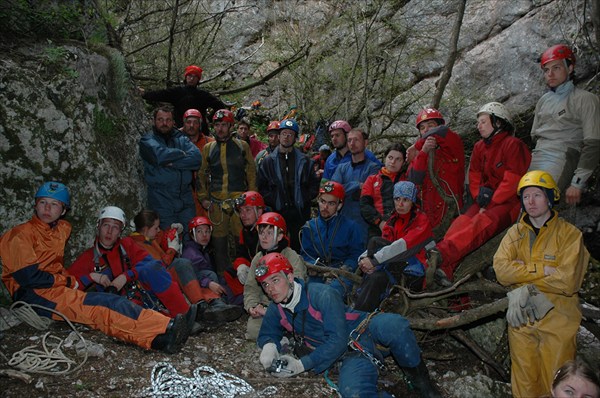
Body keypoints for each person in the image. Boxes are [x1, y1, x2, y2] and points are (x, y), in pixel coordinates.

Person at [0, 182, 190, 354]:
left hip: (54, 291)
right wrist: (73, 280)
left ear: (63, 210)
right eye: (43, 202)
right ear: (35, 204)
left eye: (54, 204)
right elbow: (29, 278)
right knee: (101, 307)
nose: (48, 208)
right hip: (33, 293)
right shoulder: (19, 235)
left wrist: (114, 276)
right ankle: (164, 328)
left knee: (104, 307)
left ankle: (160, 336)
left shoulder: (60, 231)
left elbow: (151, 264)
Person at [255, 252, 442, 398]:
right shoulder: (276, 308)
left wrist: (301, 365)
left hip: (362, 327)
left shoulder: (321, 294)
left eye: (275, 280)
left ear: (289, 277)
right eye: (265, 285)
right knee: (354, 392)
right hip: (349, 354)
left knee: (397, 326)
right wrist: (269, 347)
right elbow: (267, 334)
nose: (270, 289)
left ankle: (422, 384)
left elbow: (337, 338)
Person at [493, 171, 590, 398]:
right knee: (524, 385)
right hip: (522, 320)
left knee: (559, 386)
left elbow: (567, 281)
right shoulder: (515, 233)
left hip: (559, 320)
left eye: (537, 195)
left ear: (549, 198)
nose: (531, 201)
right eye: (526, 196)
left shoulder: (570, 235)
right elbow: (501, 271)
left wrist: (521, 271)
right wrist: (541, 270)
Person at [430, 102, 531, 286]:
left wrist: (489, 204)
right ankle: (445, 268)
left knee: (481, 223)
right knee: (460, 222)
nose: (478, 126)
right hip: (485, 200)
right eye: (478, 122)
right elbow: (474, 175)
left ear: (498, 122)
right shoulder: (479, 147)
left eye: (483, 121)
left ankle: (441, 254)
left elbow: (513, 180)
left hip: (508, 204)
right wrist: (479, 199)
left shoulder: (513, 145)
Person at [69, 206, 195, 320]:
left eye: (115, 227)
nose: (109, 231)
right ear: (98, 226)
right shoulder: (88, 258)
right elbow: (66, 284)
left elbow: (151, 264)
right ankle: (168, 324)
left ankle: (184, 314)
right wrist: (91, 277)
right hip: (118, 307)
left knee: (154, 268)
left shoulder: (127, 245)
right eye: (106, 225)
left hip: (141, 295)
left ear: (120, 232)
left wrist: (126, 276)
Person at [130, 209, 241, 323]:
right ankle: (201, 306)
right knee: (183, 264)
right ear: (146, 229)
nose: (158, 230)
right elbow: (157, 268)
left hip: (166, 274)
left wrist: (173, 231)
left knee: (207, 274)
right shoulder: (138, 244)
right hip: (157, 280)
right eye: (156, 228)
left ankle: (217, 303)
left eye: (207, 231)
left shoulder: (149, 238)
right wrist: (172, 250)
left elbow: (162, 238)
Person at [529, 44, 600, 205]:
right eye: (546, 70)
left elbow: (593, 143)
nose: (550, 74)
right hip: (537, 155)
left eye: (556, 68)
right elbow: (534, 135)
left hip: (563, 155)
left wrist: (577, 182)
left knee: (536, 201)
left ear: (570, 68)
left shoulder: (585, 99)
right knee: (521, 198)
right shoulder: (543, 101)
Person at [355, 181, 435, 312]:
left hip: (412, 273)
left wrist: (374, 261)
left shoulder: (421, 220)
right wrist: (363, 259)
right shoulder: (392, 220)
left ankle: (359, 317)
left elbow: (402, 247)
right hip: (392, 266)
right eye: (397, 199)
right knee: (375, 249)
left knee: (376, 279)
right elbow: (382, 245)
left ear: (413, 201)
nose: (400, 204)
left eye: (406, 200)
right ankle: (360, 316)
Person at [197, 109, 257, 274]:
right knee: (219, 245)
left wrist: (252, 198)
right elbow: (201, 174)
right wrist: (203, 198)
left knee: (242, 243)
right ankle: (224, 280)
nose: (220, 128)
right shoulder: (208, 148)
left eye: (224, 125)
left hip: (240, 204)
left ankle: (245, 276)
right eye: (217, 125)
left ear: (231, 126)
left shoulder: (242, 146)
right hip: (216, 205)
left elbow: (251, 173)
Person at [257, 119, 320, 251]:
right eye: (284, 133)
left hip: (300, 211)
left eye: (290, 134)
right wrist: (273, 199)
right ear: (279, 136)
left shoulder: (305, 161)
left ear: (295, 138)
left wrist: (305, 197)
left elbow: (314, 183)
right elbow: (261, 186)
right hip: (278, 210)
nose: (286, 137)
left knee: (300, 245)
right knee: (277, 245)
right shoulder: (268, 161)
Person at [243, 212, 306, 340]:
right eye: (261, 233)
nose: (264, 237)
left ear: (280, 236)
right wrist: (252, 306)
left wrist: (273, 311)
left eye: (269, 233)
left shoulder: (291, 255)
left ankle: (285, 330)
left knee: (302, 324)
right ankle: (282, 333)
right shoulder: (258, 258)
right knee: (253, 331)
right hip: (266, 306)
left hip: (290, 306)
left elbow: (298, 284)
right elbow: (251, 287)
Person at [139, 106, 202, 232]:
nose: (164, 123)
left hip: (185, 199)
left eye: (168, 120)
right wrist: (181, 153)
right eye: (160, 119)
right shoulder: (147, 140)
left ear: (173, 122)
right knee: (168, 239)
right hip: (161, 199)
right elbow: (159, 156)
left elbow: (197, 159)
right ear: (154, 121)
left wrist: (172, 163)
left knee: (189, 237)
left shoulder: (181, 138)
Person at [300, 181, 365, 299]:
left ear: (339, 205)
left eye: (331, 203)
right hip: (317, 273)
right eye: (322, 201)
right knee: (306, 296)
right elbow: (306, 253)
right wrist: (313, 267)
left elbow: (356, 254)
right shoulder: (309, 227)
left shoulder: (351, 227)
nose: (325, 207)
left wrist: (346, 267)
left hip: (341, 274)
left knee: (330, 296)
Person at [407, 107, 465, 230]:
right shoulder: (419, 155)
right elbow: (414, 179)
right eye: (422, 128)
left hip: (452, 214)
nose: (426, 130)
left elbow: (442, 132)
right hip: (428, 218)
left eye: (430, 125)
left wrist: (418, 145)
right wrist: (423, 151)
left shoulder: (451, 147)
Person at [181, 216, 244, 321]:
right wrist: (208, 282)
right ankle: (219, 307)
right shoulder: (190, 253)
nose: (204, 235)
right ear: (192, 234)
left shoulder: (201, 250)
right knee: (212, 276)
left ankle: (237, 304)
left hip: (206, 284)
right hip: (200, 288)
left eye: (207, 231)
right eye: (199, 232)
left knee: (229, 283)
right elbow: (191, 275)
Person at [141, 64, 227, 133]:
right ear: (186, 77)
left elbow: (220, 107)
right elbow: (160, 94)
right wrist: (145, 94)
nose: (192, 78)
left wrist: (209, 118)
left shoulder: (203, 95)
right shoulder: (177, 92)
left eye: (195, 76)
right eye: (190, 75)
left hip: (200, 132)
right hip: (180, 130)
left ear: (198, 79)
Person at [331, 128, 381, 244]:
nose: (352, 144)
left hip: (365, 224)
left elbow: (369, 193)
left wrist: (344, 189)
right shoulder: (342, 168)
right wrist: (356, 185)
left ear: (365, 142)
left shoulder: (373, 168)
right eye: (349, 141)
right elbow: (333, 191)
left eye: (356, 140)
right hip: (343, 221)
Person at [360, 143, 407, 239]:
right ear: (385, 158)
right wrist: (379, 222)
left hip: (401, 229)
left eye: (398, 159)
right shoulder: (371, 180)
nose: (393, 162)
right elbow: (364, 205)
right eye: (390, 157)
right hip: (377, 228)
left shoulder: (406, 181)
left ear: (403, 162)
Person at [228, 191, 266, 300]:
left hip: (268, 270)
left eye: (248, 210)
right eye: (241, 211)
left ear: (259, 212)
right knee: (229, 273)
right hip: (254, 268)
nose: (243, 215)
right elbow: (241, 253)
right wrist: (241, 266)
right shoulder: (245, 231)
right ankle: (242, 299)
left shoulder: (270, 229)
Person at [181, 108, 214, 218]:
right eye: (189, 122)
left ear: (200, 124)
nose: (191, 125)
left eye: (195, 122)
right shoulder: (175, 141)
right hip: (183, 192)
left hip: (205, 191)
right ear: (184, 123)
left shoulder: (210, 143)